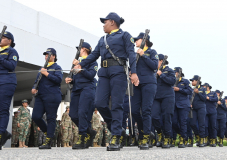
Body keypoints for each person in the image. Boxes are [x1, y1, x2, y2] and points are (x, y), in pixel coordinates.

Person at [75, 12, 139, 151]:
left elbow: (131, 54)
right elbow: (93, 55)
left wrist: (133, 72)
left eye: (105, 22)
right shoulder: (102, 39)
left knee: (116, 104)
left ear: (112, 22)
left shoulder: (125, 35)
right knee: (99, 103)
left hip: (118, 72)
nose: (103, 25)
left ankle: (116, 135)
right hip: (103, 73)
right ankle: (117, 129)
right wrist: (82, 64)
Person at [65, 42, 98, 149]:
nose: (77, 51)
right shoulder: (77, 62)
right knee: (73, 114)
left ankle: (82, 137)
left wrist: (80, 69)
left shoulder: (92, 61)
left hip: (87, 88)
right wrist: (70, 80)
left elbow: (91, 75)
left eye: (79, 49)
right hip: (76, 89)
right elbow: (76, 78)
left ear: (84, 49)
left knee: (82, 112)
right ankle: (89, 132)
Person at [131, 32, 158, 150]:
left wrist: (143, 55)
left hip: (149, 83)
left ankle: (146, 136)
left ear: (144, 40)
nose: (135, 41)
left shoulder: (152, 52)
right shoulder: (134, 54)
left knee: (146, 110)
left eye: (137, 39)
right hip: (137, 84)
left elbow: (154, 66)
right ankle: (144, 131)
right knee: (135, 110)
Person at [31, 48, 63, 149]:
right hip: (41, 95)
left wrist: (47, 74)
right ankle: (49, 132)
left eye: (48, 54)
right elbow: (37, 81)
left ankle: (48, 140)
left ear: (54, 56)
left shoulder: (57, 67)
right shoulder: (42, 68)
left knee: (50, 118)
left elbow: (58, 80)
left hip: (52, 95)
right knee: (36, 116)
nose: (46, 56)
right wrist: (34, 88)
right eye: (45, 55)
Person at [151, 54, 176, 149]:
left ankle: (167, 137)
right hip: (156, 96)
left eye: (156, 60)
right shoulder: (153, 71)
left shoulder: (169, 70)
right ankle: (160, 133)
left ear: (161, 61)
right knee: (154, 116)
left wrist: (161, 75)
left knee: (167, 116)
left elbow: (172, 81)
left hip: (167, 96)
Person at [0, 31, 19, 150]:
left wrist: (1, 58)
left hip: (7, 82)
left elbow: (12, 65)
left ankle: (1, 134)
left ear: (9, 41)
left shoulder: (12, 51)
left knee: (3, 109)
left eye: (3, 37)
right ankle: (5, 133)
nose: (1, 39)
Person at [172, 67, 192, 148]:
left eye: (176, 72)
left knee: (183, 122)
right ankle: (182, 134)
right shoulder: (172, 81)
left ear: (179, 73)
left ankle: (182, 139)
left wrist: (179, 89)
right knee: (173, 122)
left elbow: (190, 91)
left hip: (183, 104)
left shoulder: (185, 81)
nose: (175, 73)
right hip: (174, 104)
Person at [189, 75, 206, 147]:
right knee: (192, 123)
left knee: (201, 124)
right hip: (194, 109)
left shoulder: (202, 89)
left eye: (193, 81)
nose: (192, 82)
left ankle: (202, 139)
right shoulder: (191, 90)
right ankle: (197, 136)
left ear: (197, 81)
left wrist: (198, 92)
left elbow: (204, 99)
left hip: (201, 108)